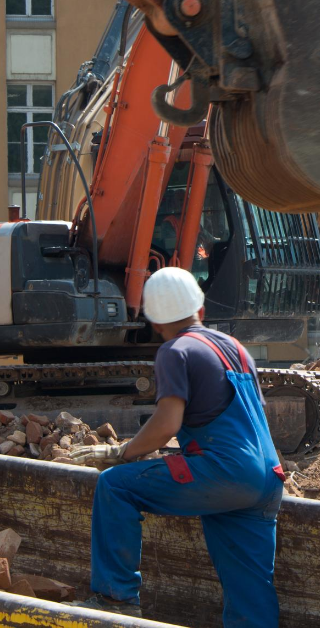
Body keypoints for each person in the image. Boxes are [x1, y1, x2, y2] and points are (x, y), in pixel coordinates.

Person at [70, 267, 284, 625]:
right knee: (250, 591)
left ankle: (115, 599)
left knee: (115, 487)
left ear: (154, 320)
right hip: (267, 479)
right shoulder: (235, 348)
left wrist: (121, 453)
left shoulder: (175, 351)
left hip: (225, 474)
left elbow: (168, 423)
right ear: (199, 310)